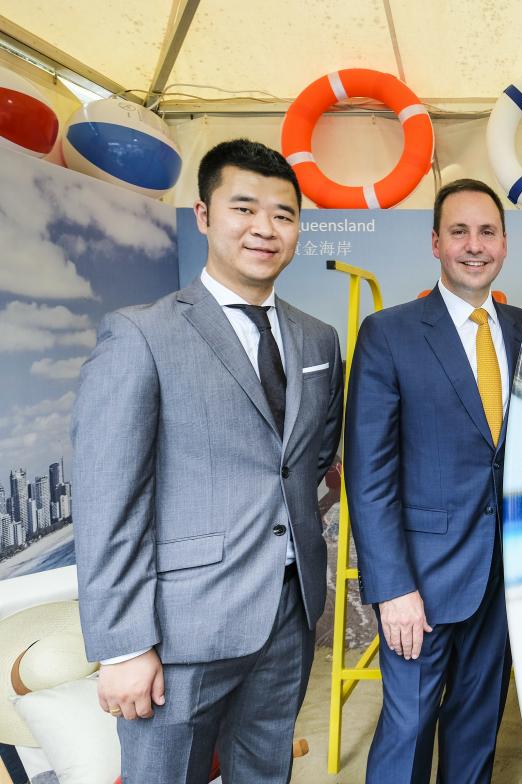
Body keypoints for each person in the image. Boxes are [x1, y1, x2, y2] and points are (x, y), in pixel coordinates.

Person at [72, 139, 345, 782]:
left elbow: (309, 459)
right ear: (202, 215)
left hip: (288, 610)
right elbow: (109, 496)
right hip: (181, 627)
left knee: (264, 769)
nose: (265, 228)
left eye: (283, 214)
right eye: (244, 208)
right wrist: (124, 644)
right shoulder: (142, 334)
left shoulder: (317, 338)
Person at [344, 179, 522, 783]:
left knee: (478, 723)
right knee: (408, 727)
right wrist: (392, 588)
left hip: (506, 575)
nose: (474, 246)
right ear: (435, 243)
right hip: (420, 583)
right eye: (459, 231)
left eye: (487, 231)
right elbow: (369, 477)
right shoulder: (388, 333)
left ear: (504, 242)